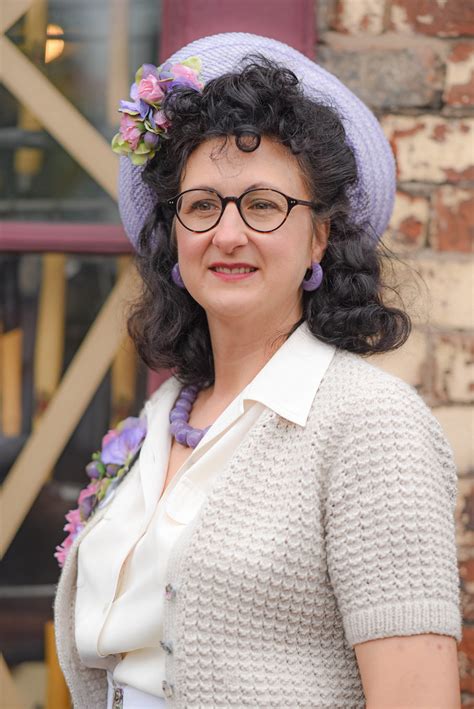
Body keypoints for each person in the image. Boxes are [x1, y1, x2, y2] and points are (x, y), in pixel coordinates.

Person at [54, 32, 462, 708]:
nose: (228, 233)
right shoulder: (162, 418)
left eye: (264, 205)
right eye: (203, 205)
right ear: (176, 235)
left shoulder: (370, 425)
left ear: (320, 236)